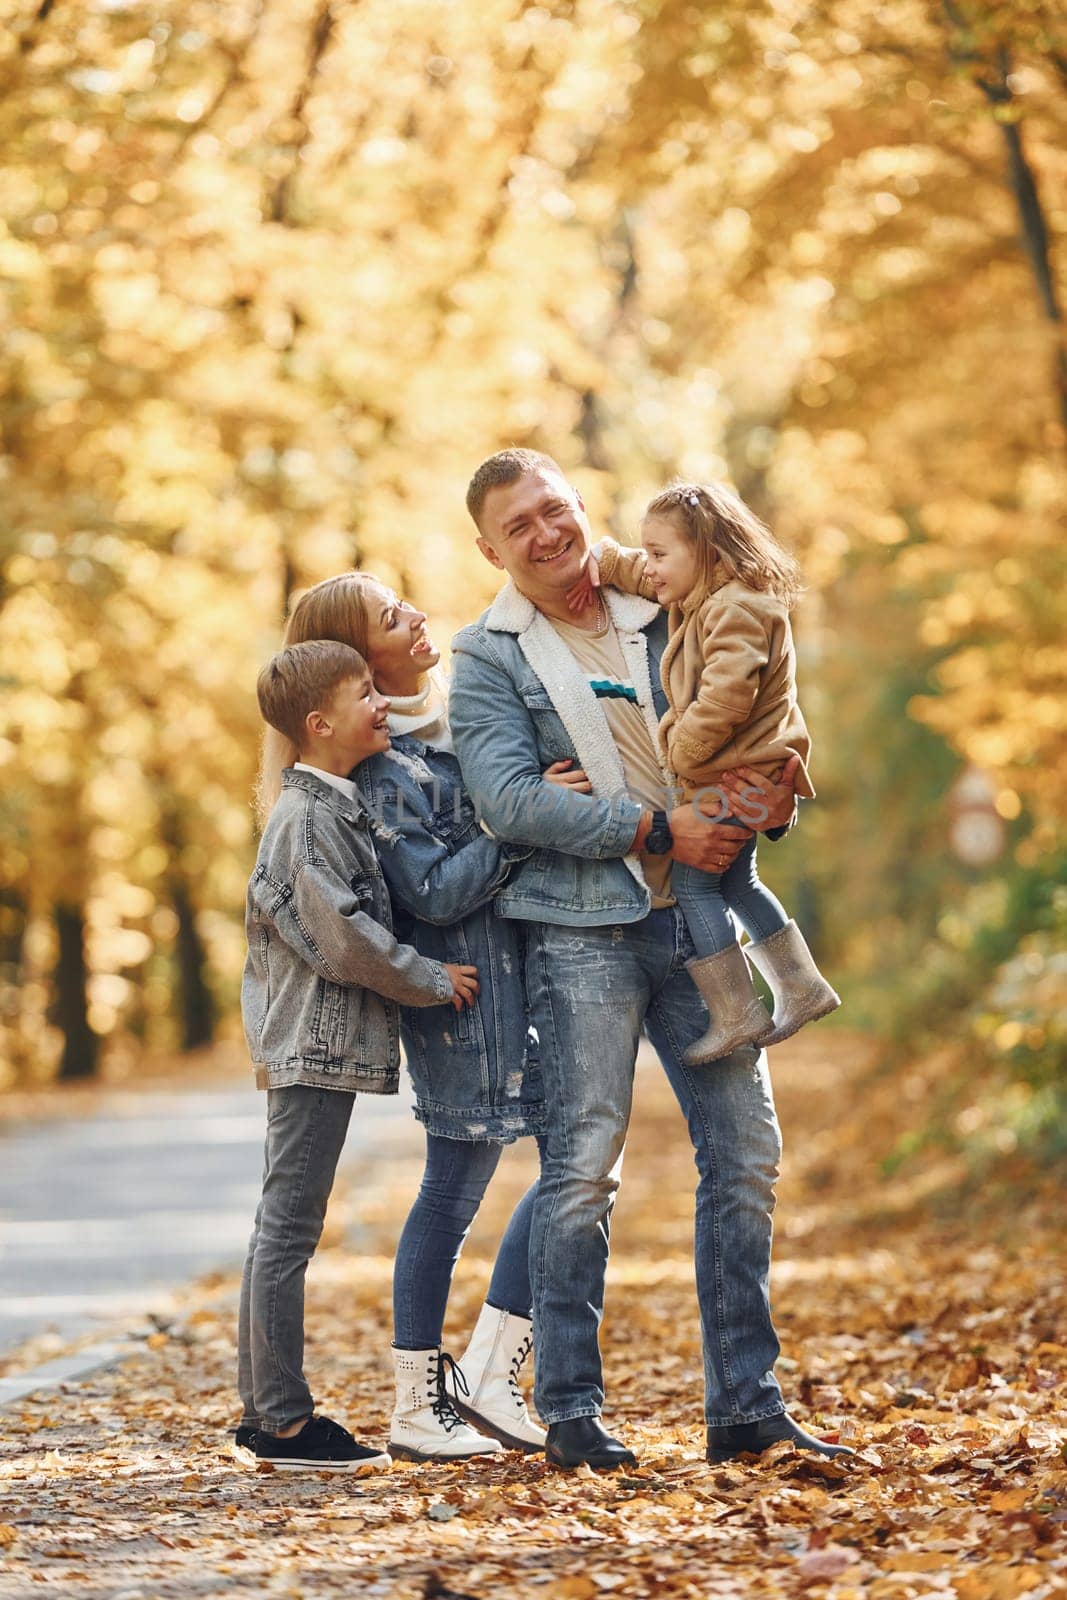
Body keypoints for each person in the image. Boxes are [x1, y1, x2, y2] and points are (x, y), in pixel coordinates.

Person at [449, 447, 854, 1471]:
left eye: (554, 507)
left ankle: (745, 1410)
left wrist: (758, 797)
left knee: (745, 1160)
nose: (545, 533)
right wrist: (652, 828)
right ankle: (572, 1414)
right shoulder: (489, 654)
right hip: (581, 934)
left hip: (698, 926)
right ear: (489, 548)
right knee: (582, 1172)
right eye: (517, 526)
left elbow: (751, 699)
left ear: (577, 503)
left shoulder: (667, 596)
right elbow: (507, 801)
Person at [259, 574, 548, 1462]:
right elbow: (372, 919)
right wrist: (520, 824)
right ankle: (332, 1409)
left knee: (569, 1162)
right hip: (402, 1015)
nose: (416, 617)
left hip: (496, 985)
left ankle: (481, 1375)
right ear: (349, 683)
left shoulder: (425, 732)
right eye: (389, 619)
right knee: (328, 1215)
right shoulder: (349, 790)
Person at [237, 638, 477, 1472]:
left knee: (286, 1224)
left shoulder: (331, 802)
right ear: (319, 722)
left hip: (318, 1042)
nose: (383, 704)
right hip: (310, 1043)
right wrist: (432, 979)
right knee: (287, 1226)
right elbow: (345, 939)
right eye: (366, 693)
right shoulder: (305, 819)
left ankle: (269, 1412)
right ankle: (280, 1422)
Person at [565, 481, 840, 1065]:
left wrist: (681, 752)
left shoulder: (735, 609)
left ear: (708, 553)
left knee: (695, 883)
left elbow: (726, 698)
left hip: (739, 771)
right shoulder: (707, 592)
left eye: (661, 553)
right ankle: (801, 985)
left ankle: (737, 1011)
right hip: (746, 768)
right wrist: (611, 561)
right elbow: (650, 573)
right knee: (739, 883)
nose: (653, 568)